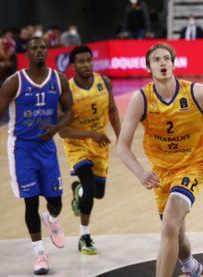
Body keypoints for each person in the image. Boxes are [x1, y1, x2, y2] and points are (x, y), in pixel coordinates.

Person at [116, 43, 203, 277]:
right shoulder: (141, 99)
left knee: (169, 226)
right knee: (176, 233)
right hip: (161, 173)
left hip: (192, 167)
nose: (162, 63)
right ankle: (191, 266)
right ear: (149, 68)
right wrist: (141, 173)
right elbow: (122, 146)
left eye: (166, 59)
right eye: (156, 60)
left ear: (173, 63)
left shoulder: (195, 92)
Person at [0, 37, 73, 275]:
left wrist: (56, 127)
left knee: (56, 201)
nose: (40, 50)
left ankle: (51, 219)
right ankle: (40, 253)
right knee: (30, 202)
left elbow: (70, 110)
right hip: (22, 149)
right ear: (26, 54)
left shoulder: (58, 79)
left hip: (47, 148)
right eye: (34, 48)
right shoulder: (14, 82)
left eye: (43, 47)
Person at [63, 45, 121, 254]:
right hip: (77, 144)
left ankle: (77, 191)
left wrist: (121, 137)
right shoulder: (67, 91)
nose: (86, 64)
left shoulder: (104, 82)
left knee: (98, 193)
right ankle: (84, 236)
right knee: (89, 187)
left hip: (100, 144)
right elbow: (63, 131)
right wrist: (89, 134)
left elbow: (113, 110)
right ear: (73, 65)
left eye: (89, 60)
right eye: (81, 61)